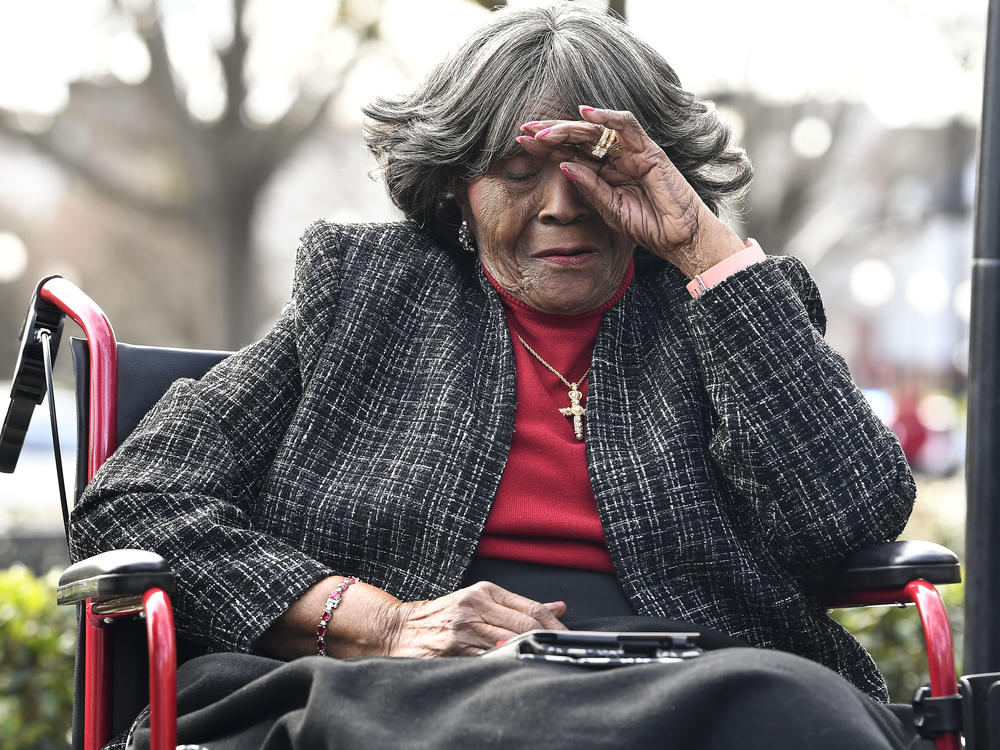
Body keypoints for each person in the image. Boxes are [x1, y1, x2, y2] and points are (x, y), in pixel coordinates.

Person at [70, 4, 924, 749]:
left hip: (692, 681)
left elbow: (850, 517)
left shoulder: (724, 307)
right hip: (403, 698)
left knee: (804, 711)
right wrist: (384, 623)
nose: (563, 205)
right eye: (519, 173)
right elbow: (137, 500)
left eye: (602, 169)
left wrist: (702, 243)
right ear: (456, 185)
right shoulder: (363, 295)